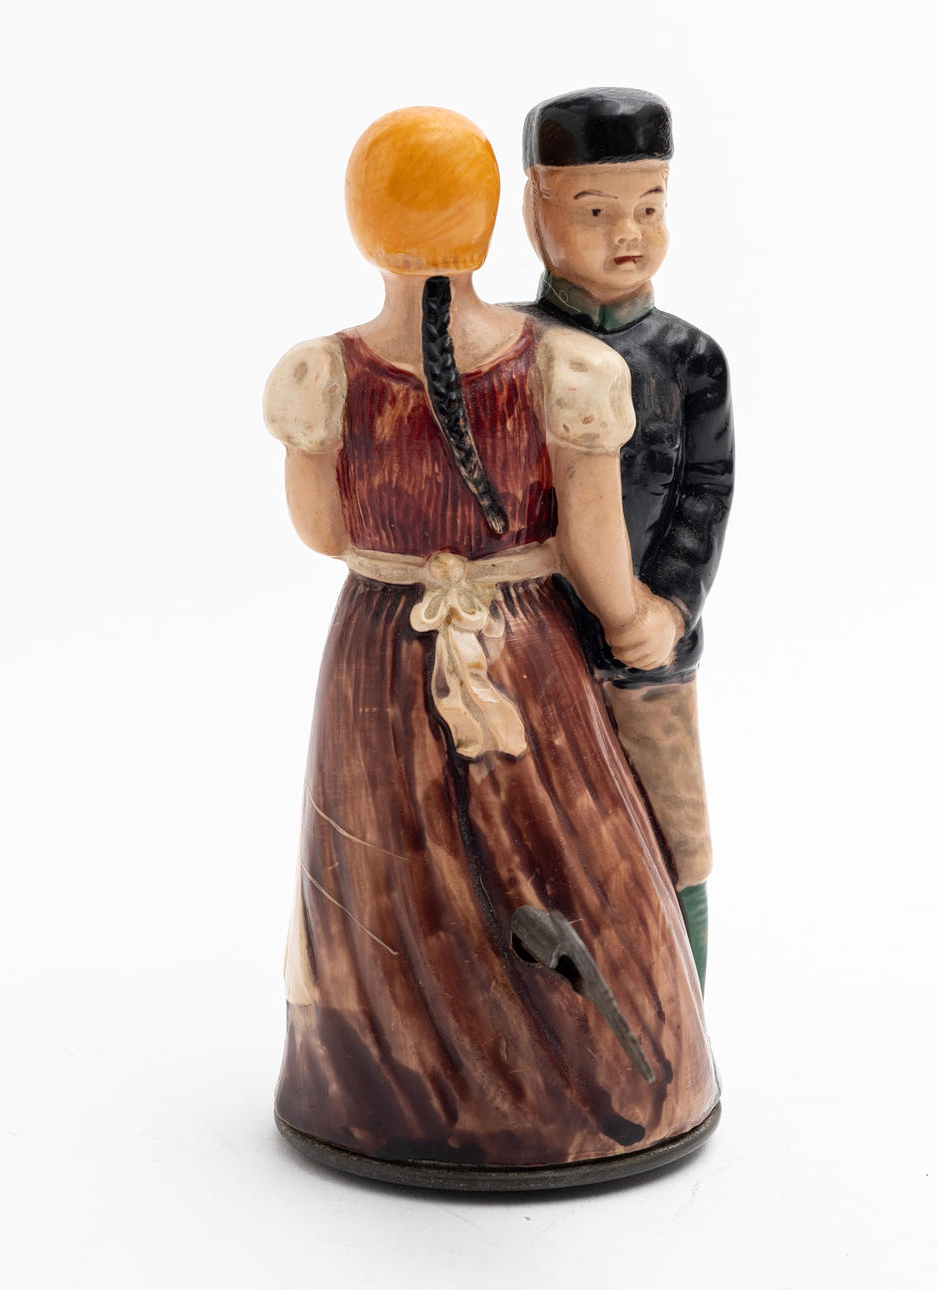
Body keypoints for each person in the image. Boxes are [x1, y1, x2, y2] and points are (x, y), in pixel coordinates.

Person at [263, 107, 718, 1187]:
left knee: (388, 859)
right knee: (561, 853)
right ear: (496, 222)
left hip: (379, 652)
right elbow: (594, 551)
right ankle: (589, 1092)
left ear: (364, 227)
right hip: (524, 651)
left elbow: (322, 531)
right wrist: (633, 620)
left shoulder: (324, 372)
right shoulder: (564, 368)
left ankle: (383, 1088)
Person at [519, 88, 735, 988]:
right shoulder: (514, 348)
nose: (629, 234)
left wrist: (669, 607)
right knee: (544, 839)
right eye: (596, 212)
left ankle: (682, 1016)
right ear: (537, 212)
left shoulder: (691, 358)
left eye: (650, 208)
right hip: (530, 645)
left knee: (675, 831)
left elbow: (707, 492)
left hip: (650, 656)